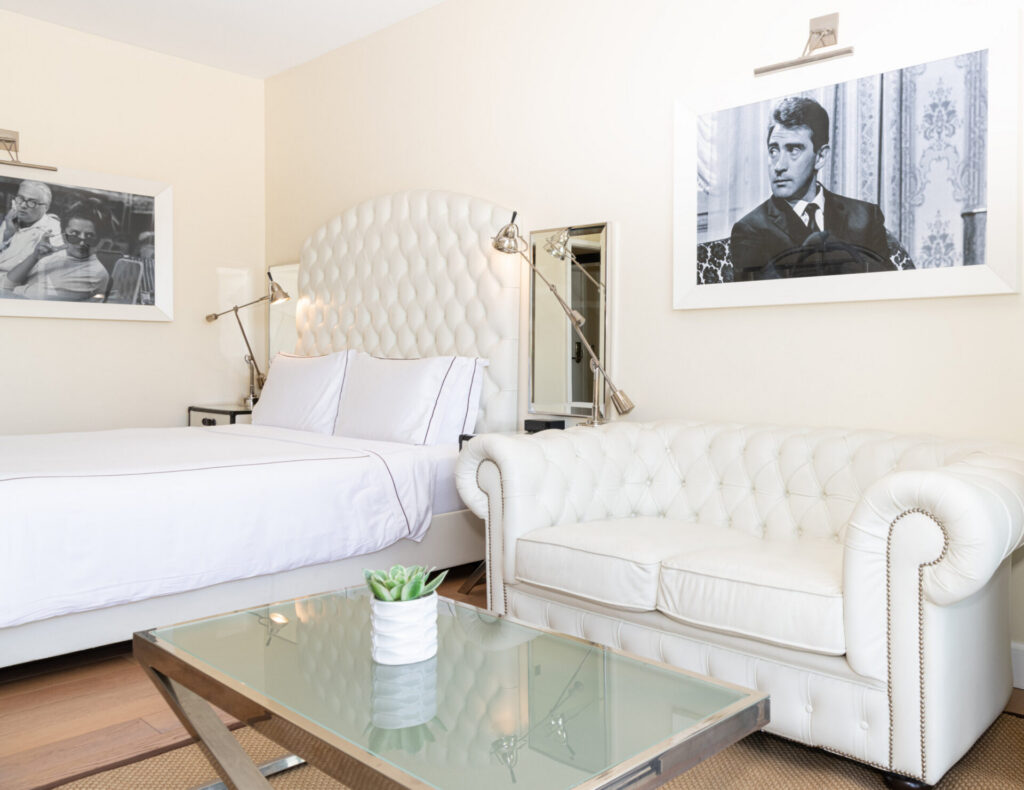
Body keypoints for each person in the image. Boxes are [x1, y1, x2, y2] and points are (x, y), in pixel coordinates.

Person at [730, 97, 902, 281]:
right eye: (773, 150)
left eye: (793, 150)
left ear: (820, 157)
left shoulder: (866, 217)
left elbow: (886, 286)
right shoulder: (750, 230)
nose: (779, 166)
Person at [1, 199, 110, 301]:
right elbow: (7, 284)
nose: (82, 243)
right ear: (63, 235)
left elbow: (29, 300)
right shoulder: (55, 254)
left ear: (99, 240)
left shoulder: (95, 274)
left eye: (90, 237)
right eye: (74, 235)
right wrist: (34, 257)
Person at [0, 180, 64, 275]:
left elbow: (38, 270)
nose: (22, 205)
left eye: (32, 202)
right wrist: (7, 235)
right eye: (20, 199)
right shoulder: (10, 220)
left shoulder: (54, 229)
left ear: (46, 207)